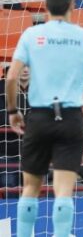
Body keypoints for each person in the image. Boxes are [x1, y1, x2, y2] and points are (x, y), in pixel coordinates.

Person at [6, 0, 83, 237]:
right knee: (63, 190)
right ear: (72, 6)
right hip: (70, 119)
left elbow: (12, 78)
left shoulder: (32, 35)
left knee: (30, 188)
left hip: (40, 116)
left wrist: (13, 111)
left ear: (45, 7)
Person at [0, 65, 29, 194]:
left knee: (35, 193)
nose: (25, 70)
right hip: (7, 153)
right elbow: (4, 120)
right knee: (10, 191)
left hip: (33, 152)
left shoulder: (37, 91)